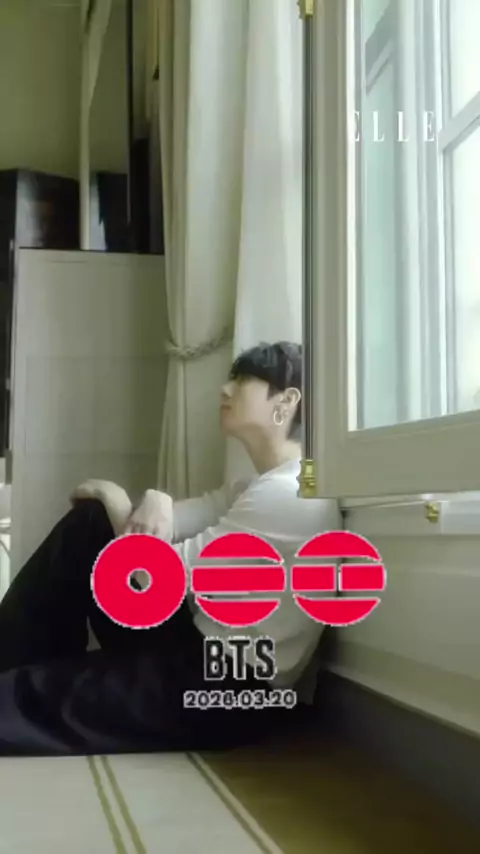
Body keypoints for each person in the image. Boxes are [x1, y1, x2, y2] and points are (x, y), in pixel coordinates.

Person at [0, 342, 339, 756]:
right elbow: (157, 526)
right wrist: (155, 499)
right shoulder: (258, 486)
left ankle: (22, 670)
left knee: (26, 699)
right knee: (91, 525)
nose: (225, 389)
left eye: (243, 380)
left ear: (286, 401)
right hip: (193, 651)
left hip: (222, 688)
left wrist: (112, 495)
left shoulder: (289, 495)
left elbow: (154, 580)